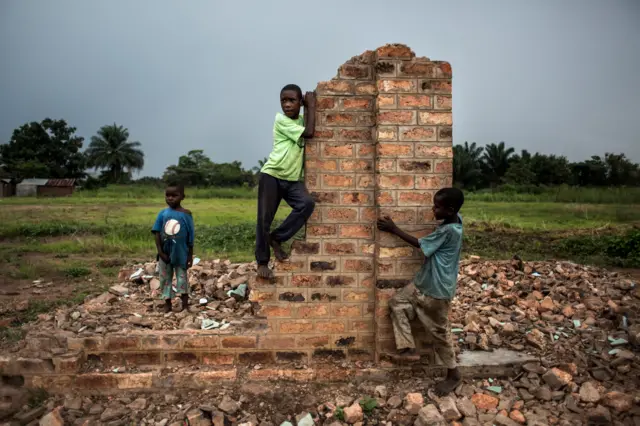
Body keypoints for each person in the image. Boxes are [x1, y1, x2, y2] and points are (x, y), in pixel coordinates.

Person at [377, 187, 464, 396]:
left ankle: (453, 374)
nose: (433, 209)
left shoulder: (447, 231)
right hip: (424, 283)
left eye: (437, 207)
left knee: (439, 332)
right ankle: (407, 347)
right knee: (397, 303)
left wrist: (393, 228)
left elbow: (420, 245)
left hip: (437, 290)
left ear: (450, 209)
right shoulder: (456, 221)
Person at [255, 84, 317, 279]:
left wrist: (308, 109)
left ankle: (277, 238)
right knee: (264, 219)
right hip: (272, 175)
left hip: (291, 179)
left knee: (306, 203)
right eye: (284, 100)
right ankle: (262, 262)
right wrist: (312, 106)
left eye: (292, 100)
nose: (287, 105)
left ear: (300, 102)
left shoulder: (300, 120)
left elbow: (308, 124)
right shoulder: (281, 120)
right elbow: (309, 133)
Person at [152, 184, 195, 313]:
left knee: (182, 278)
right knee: (165, 278)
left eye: (174, 195)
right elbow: (157, 232)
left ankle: (185, 304)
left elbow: (190, 236)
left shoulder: (186, 214)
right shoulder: (163, 213)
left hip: (181, 253)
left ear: (182, 197)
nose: (170, 198)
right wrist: (160, 252)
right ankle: (167, 304)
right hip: (165, 254)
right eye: (167, 195)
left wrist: (189, 255)